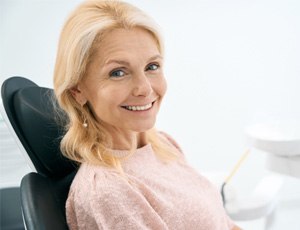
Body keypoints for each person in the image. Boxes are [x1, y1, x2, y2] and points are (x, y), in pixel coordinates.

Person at [53, 0, 241, 229]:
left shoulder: (163, 144)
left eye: (152, 67)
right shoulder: (108, 191)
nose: (145, 89)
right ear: (77, 89)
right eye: (118, 72)